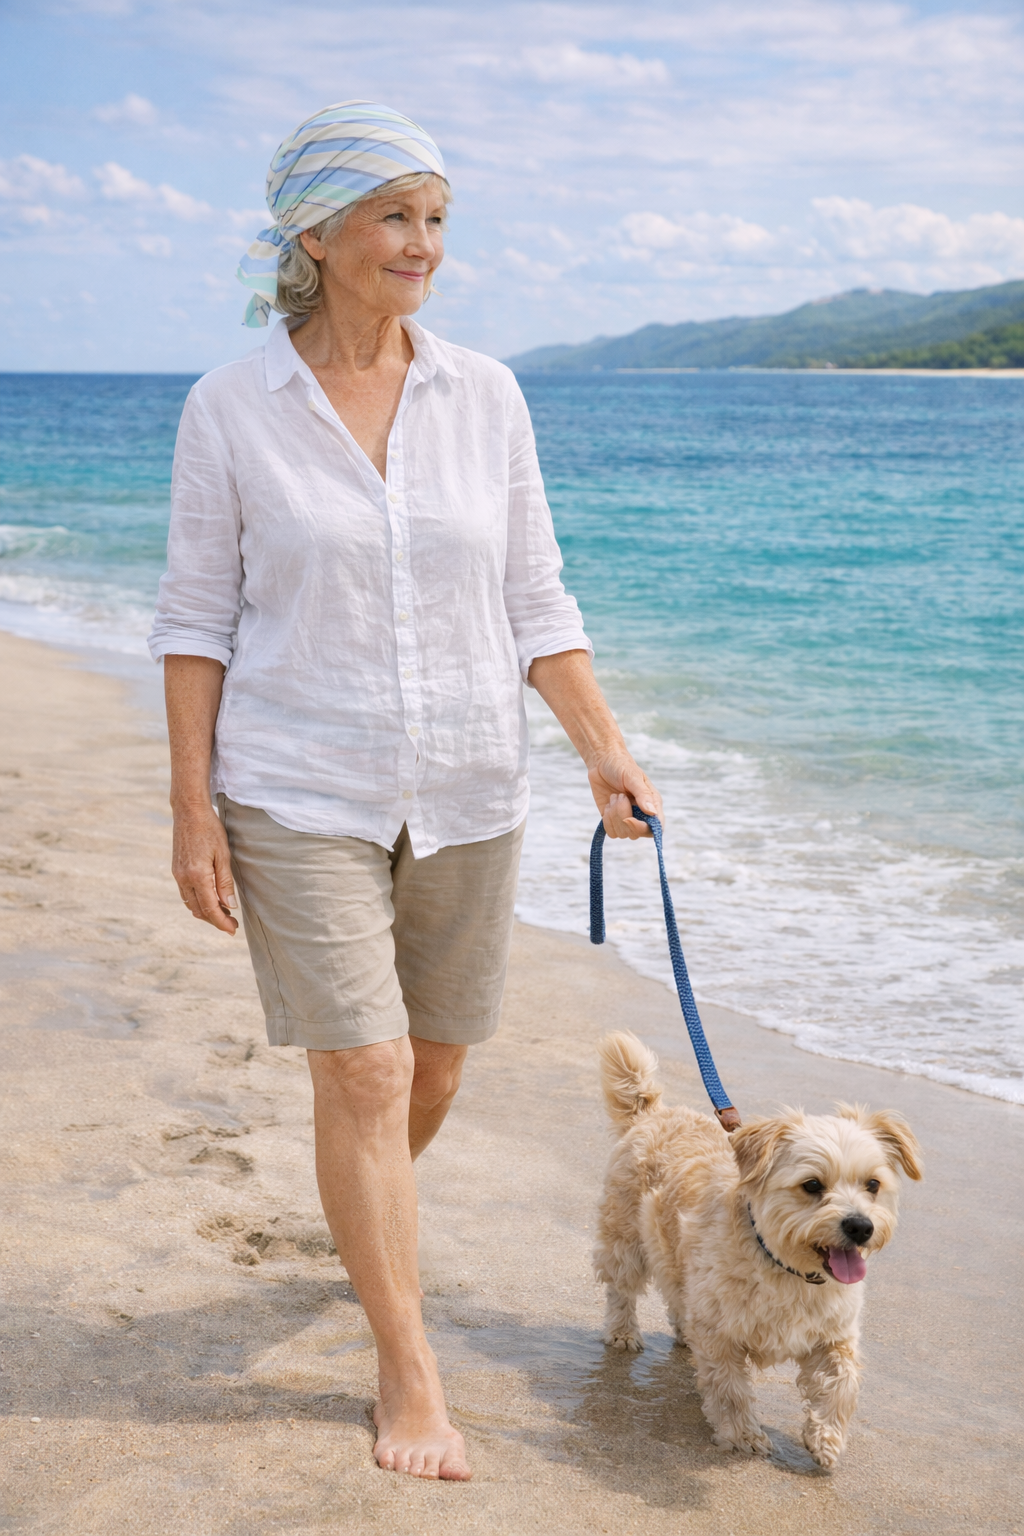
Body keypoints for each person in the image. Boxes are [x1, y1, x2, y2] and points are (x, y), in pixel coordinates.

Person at [149, 100, 662, 1482]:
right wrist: (192, 807)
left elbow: (534, 595)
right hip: (295, 783)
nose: (422, 244)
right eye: (393, 215)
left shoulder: (484, 393)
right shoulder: (228, 407)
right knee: (365, 1072)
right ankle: (407, 1364)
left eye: (436, 218)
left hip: (467, 786)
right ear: (313, 235)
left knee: (431, 1069)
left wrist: (601, 747)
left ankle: (363, 1228)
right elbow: (196, 619)